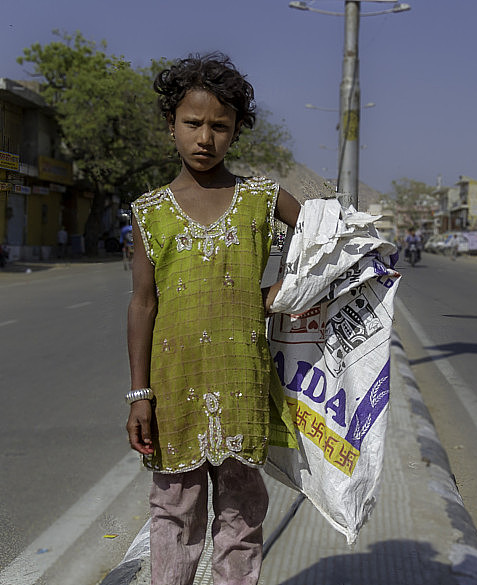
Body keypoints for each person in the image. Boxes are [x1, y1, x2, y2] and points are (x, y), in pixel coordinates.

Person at [125, 53, 301, 585]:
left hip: (242, 384)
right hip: (174, 386)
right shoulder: (150, 210)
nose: (205, 137)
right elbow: (143, 304)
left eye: (220, 126)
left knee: (242, 516)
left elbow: (329, 239)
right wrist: (139, 395)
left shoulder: (262, 199)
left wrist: (283, 290)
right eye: (192, 123)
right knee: (174, 513)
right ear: (171, 127)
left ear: (236, 132)